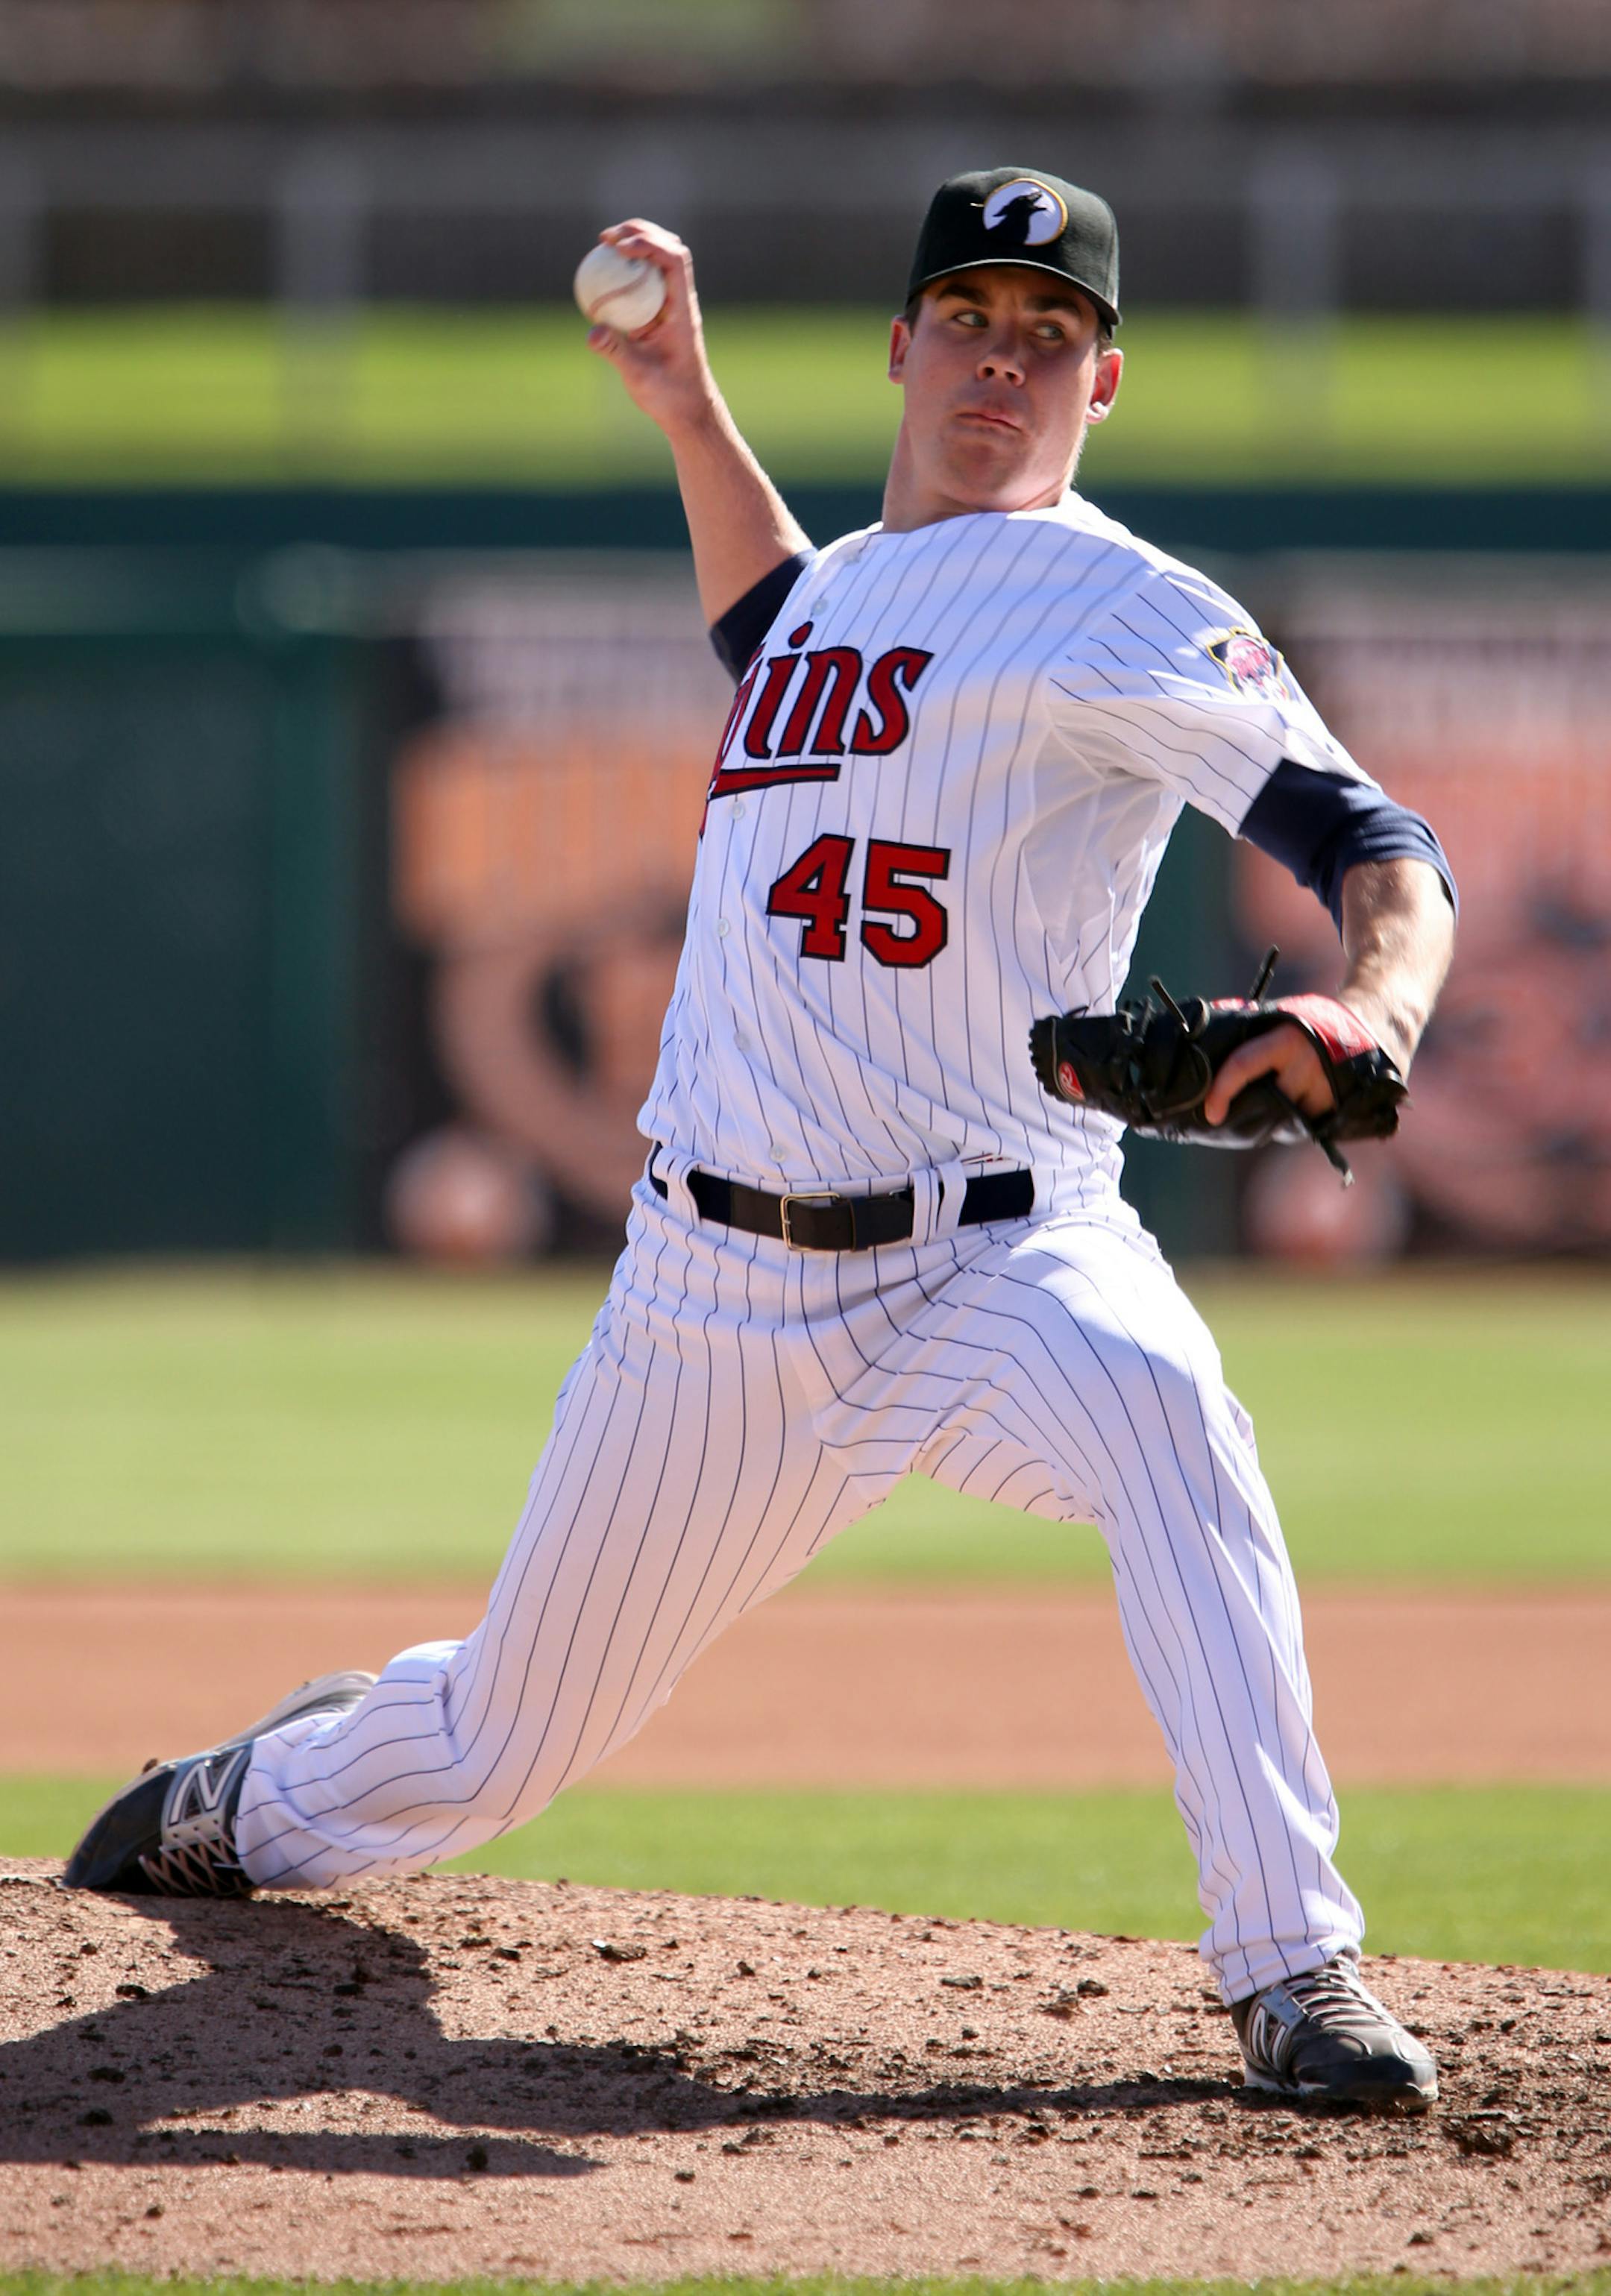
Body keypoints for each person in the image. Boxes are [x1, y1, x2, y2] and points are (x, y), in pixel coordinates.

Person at [67, 168, 1456, 2115]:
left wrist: (1372, 1006)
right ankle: (253, 1794)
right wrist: (685, 402)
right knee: (490, 1749)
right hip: (711, 1294)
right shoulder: (835, 607)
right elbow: (772, 624)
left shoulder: (1125, 609)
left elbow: (1377, 843)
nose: (1006, 356)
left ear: (1105, 382)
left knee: (1168, 1416)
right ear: (903, 349)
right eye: (971, 315)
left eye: (1051, 333)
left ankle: (1293, 1966)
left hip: (998, 1251)